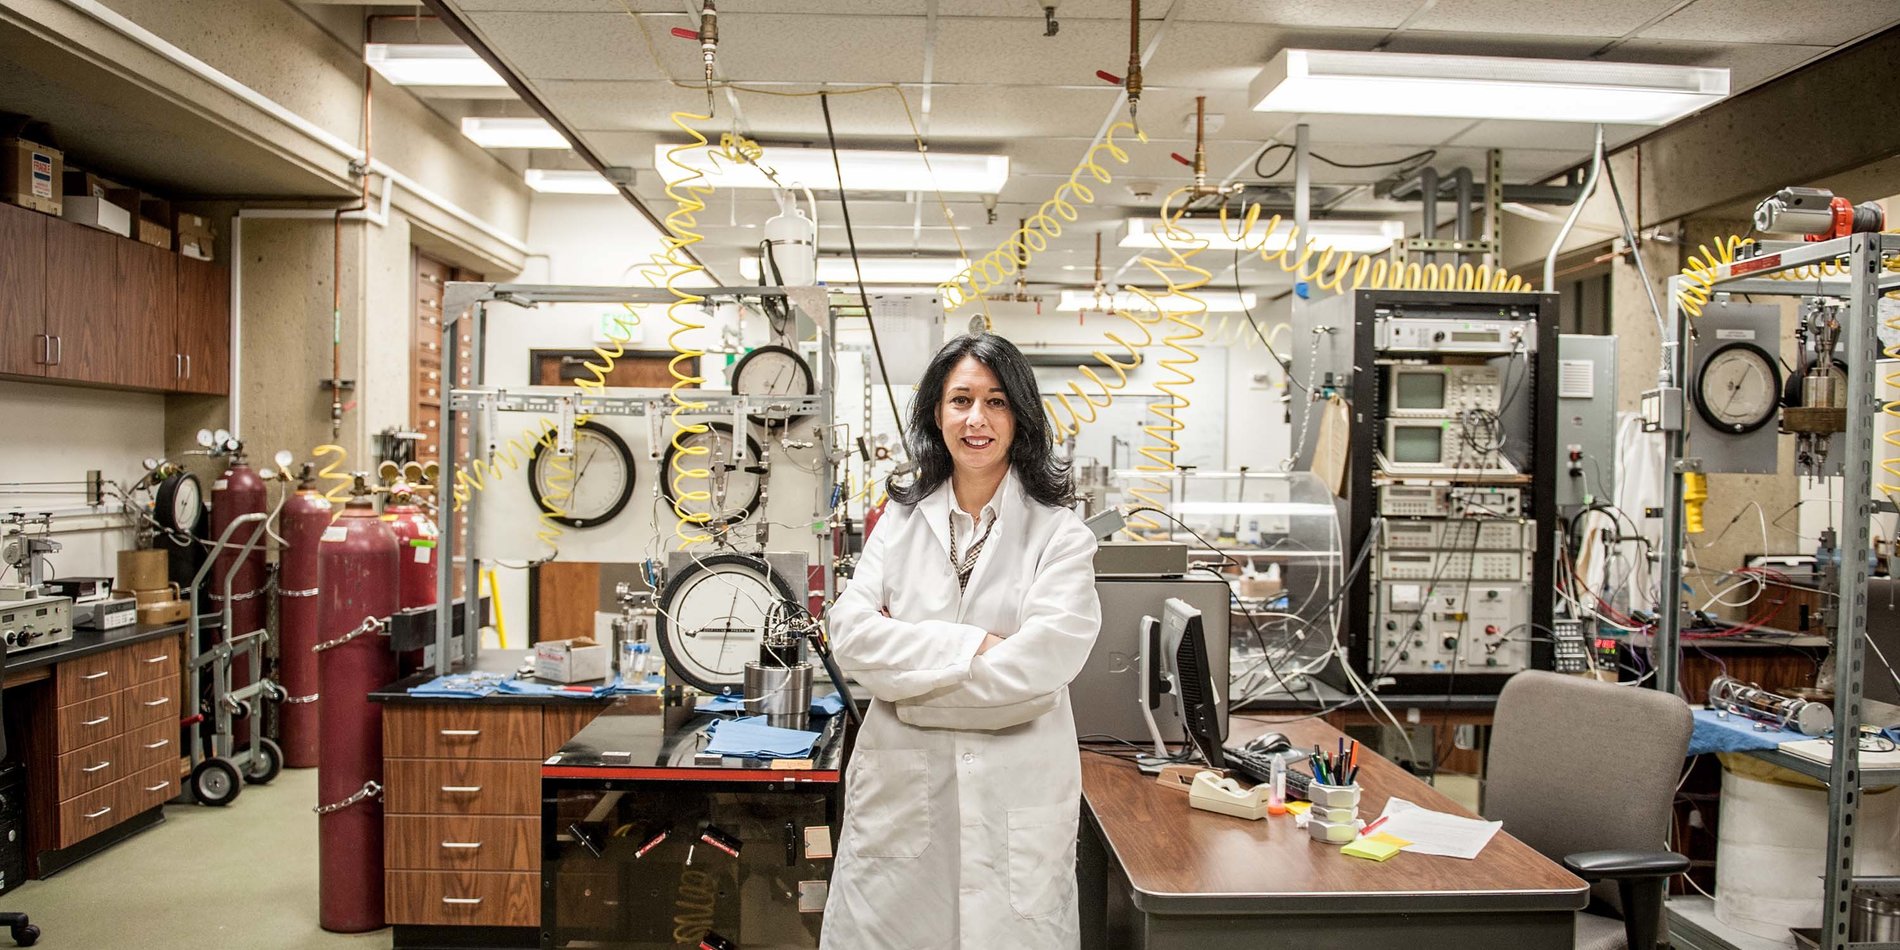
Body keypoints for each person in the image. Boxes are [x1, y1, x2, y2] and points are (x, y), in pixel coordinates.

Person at [820, 332, 1102, 950]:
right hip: (907, 800)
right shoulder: (897, 523)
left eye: (997, 401)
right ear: (936, 414)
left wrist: (910, 691)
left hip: (1016, 798)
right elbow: (851, 636)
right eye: (961, 400)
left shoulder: (1061, 536)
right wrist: (978, 646)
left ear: (1021, 417)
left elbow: (1044, 664)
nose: (977, 418)